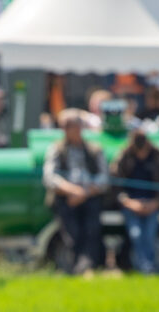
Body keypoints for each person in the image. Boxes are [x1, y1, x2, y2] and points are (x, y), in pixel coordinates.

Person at [43, 108, 108, 274]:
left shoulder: (94, 149)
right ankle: (78, 267)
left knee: (92, 230)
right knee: (73, 233)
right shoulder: (56, 149)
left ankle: (90, 266)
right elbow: (50, 177)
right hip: (66, 198)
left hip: (91, 196)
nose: (68, 130)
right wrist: (72, 191)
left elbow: (104, 178)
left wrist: (84, 193)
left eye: (72, 126)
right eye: (65, 126)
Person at [111, 128, 159, 274]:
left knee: (149, 235)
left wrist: (157, 203)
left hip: (153, 204)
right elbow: (115, 184)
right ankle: (144, 266)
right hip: (131, 204)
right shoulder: (124, 157)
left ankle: (147, 266)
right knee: (136, 234)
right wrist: (128, 203)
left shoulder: (158, 157)